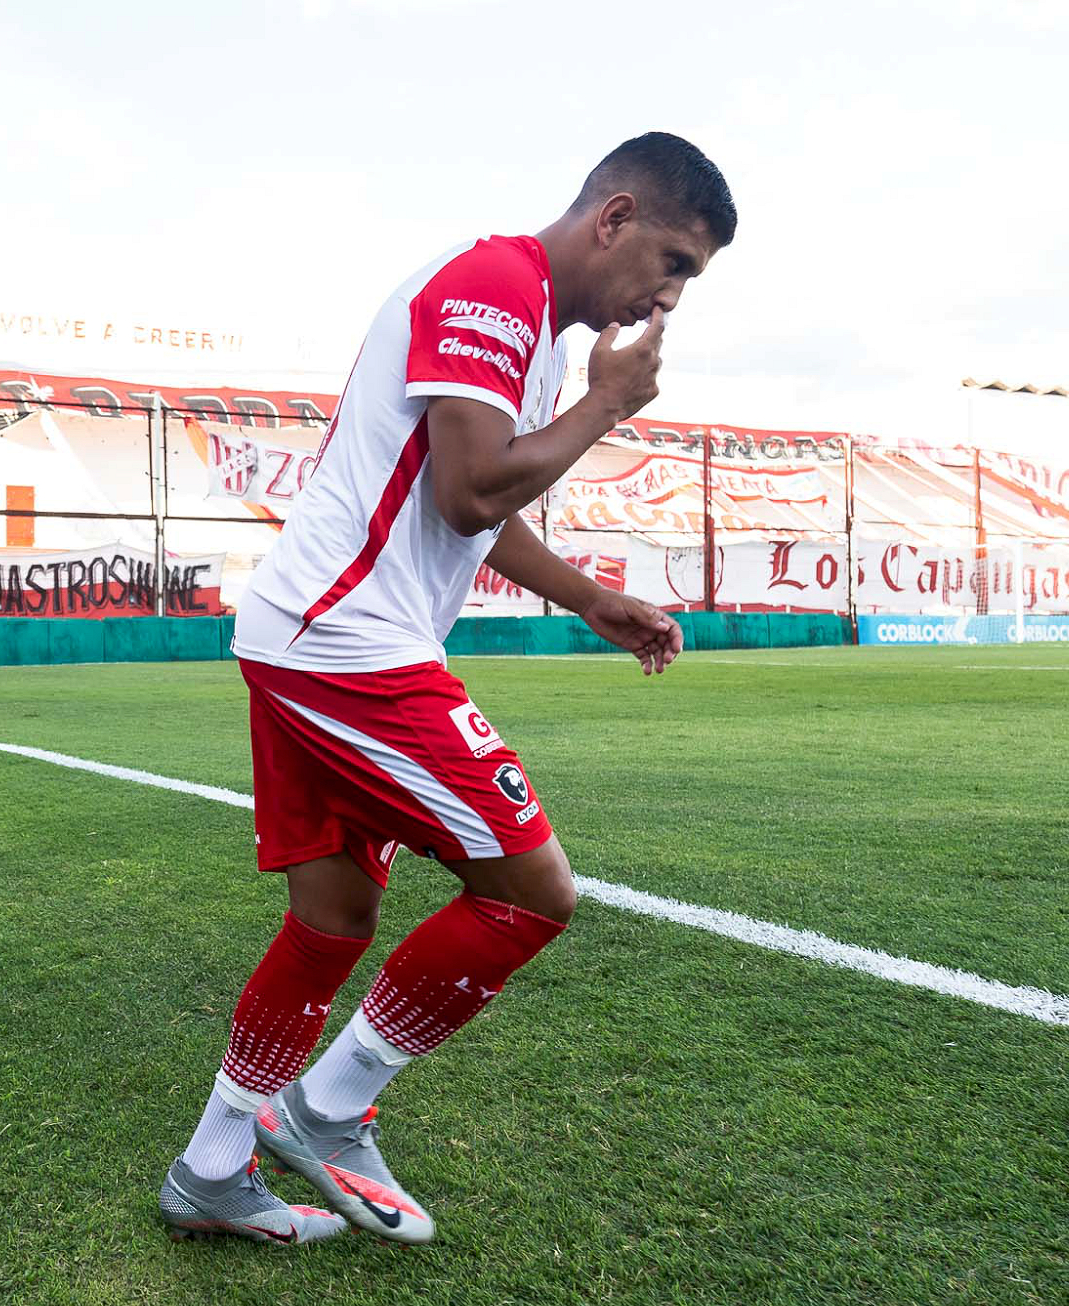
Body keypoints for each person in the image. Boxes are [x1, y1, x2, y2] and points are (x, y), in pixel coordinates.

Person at [159, 132, 736, 1245]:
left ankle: (210, 1166)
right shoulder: (491, 285)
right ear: (612, 217)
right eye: (672, 261)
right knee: (531, 892)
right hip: (346, 643)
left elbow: (461, 505)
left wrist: (588, 597)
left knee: (332, 921)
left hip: (314, 634)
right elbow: (471, 491)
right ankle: (323, 1108)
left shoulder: (532, 333)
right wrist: (607, 407)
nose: (667, 295)